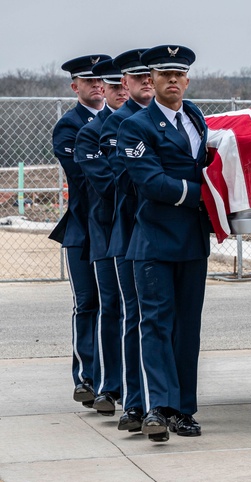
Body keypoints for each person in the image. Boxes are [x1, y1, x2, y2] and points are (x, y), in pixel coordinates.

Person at [118, 45, 210, 442]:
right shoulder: (135, 126)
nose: (173, 81)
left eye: (179, 75)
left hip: (192, 242)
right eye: (164, 75)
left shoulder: (196, 119)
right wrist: (201, 195)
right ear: (151, 80)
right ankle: (158, 407)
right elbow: (151, 182)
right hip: (154, 241)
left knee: (187, 329)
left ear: (187, 80)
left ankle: (183, 409)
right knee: (156, 325)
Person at [49, 53, 110, 409]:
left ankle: (107, 377)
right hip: (83, 228)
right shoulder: (69, 126)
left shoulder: (118, 120)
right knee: (88, 302)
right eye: (89, 81)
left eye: (101, 80)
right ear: (75, 87)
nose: (98, 86)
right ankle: (86, 376)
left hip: (110, 227)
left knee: (111, 305)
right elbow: (85, 177)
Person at [100, 48, 154, 433]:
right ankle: (134, 403)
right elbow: (120, 184)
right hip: (132, 233)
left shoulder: (175, 116)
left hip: (163, 234)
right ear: (125, 83)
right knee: (135, 319)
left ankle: (165, 401)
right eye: (140, 78)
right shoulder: (116, 124)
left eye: (151, 76)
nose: (148, 83)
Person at [74, 58, 129, 417]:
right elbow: (106, 184)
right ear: (105, 90)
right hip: (107, 230)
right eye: (114, 87)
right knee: (111, 307)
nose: (121, 91)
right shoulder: (90, 133)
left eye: (125, 84)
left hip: (140, 229)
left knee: (141, 312)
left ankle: (139, 388)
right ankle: (109, 386)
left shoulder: (142, 124)